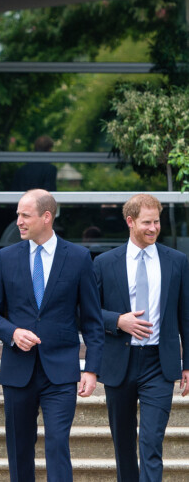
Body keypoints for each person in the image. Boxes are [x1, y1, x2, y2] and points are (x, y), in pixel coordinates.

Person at [0, 189, 104, 481]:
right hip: (17, 371)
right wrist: (12, 332)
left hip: (61, 371)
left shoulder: (78, 257)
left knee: (58, 445)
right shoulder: (6, 257)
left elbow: (92, 320)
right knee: (19, 449)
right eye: (18, 215)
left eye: (25, 215)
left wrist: (93, 369)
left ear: (46, 217)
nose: (18, 222)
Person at [93, 193, 189, 482]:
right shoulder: (104, 263)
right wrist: (117, 320)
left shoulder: (177, 261)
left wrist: (188, 364)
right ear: (130, 221)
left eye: (157, 221)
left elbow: (186, 315)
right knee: (123, 447)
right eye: (147, 222)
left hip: (159, 363)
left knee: (150, 442)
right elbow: (85, 313)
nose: (153, 228)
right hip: (119, 361)